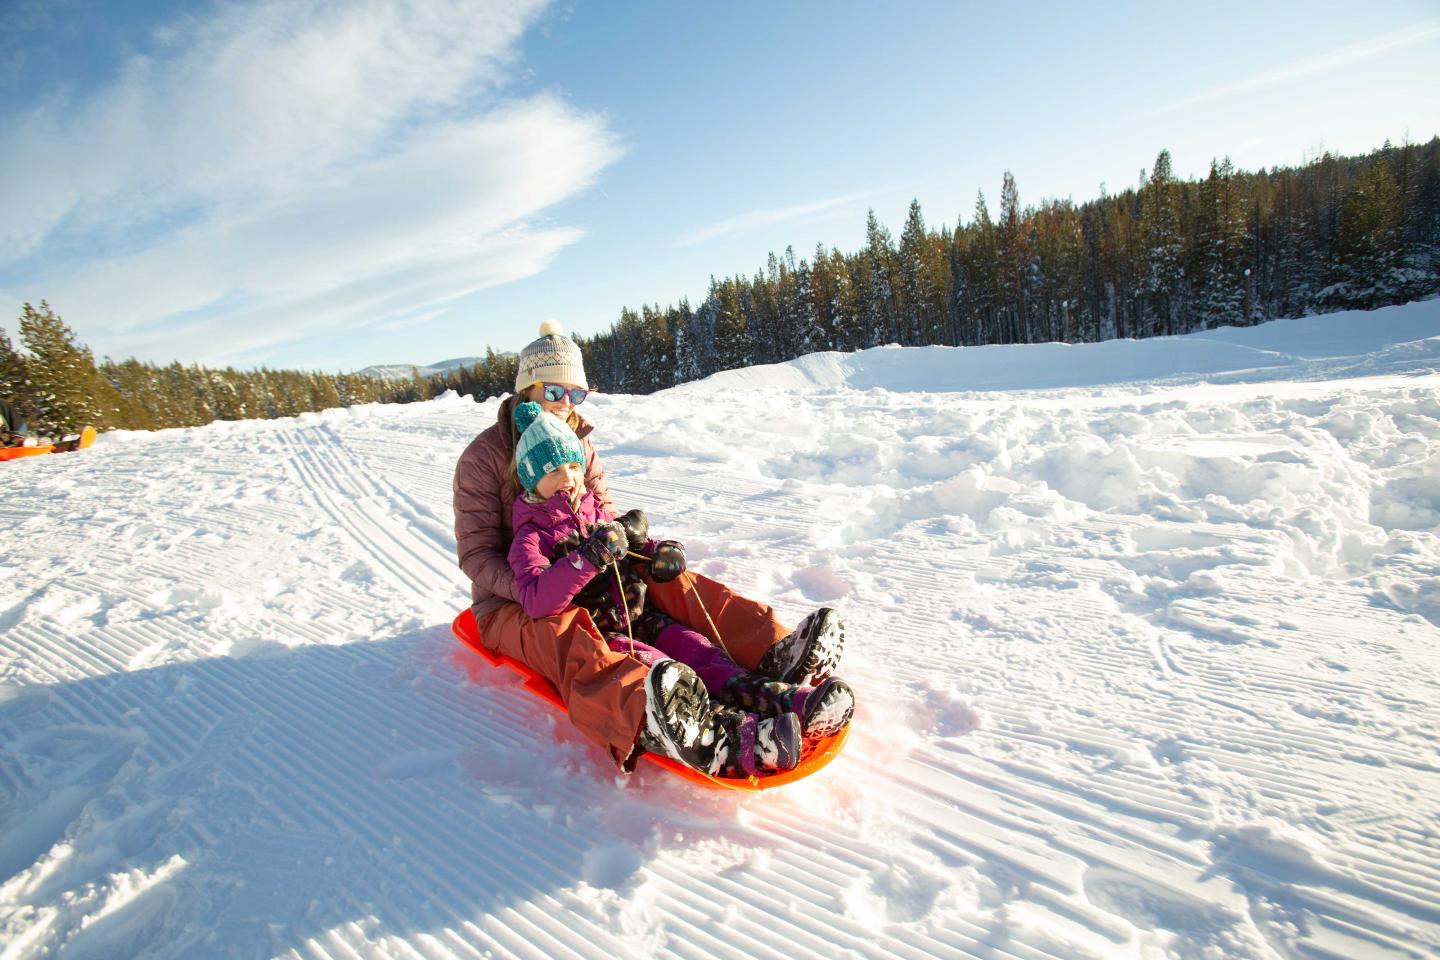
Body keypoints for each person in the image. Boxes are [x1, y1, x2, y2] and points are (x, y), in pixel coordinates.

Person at [453, 320, 850, 777]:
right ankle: (656, 717)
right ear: (526, 389)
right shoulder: (483, 458)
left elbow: (602, 515)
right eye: (553, 391)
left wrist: (641, 549)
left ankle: (773, 654)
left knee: (670, 582)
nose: (565, 405)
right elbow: (476, 555)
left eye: (575, 394)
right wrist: (540, 586)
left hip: (589, 575)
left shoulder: (578, 441)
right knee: (565, 630)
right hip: (513, 601)